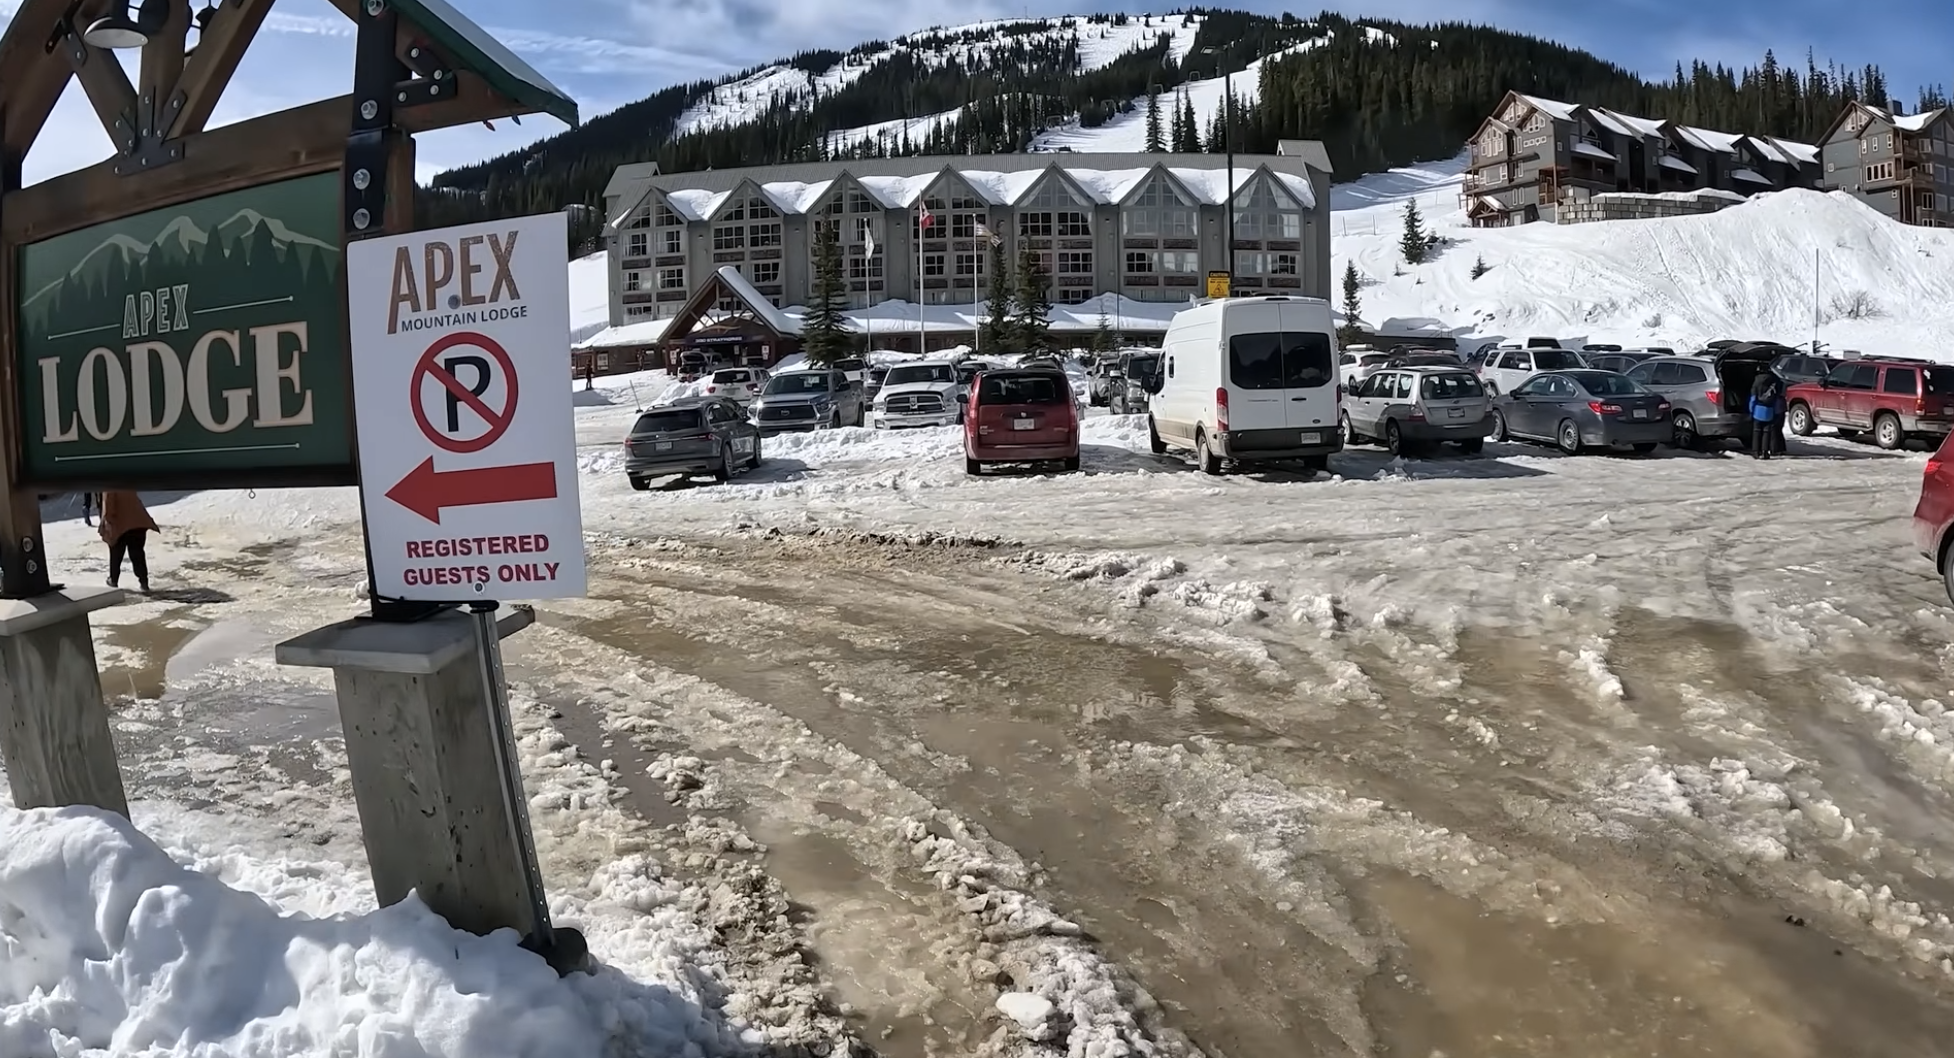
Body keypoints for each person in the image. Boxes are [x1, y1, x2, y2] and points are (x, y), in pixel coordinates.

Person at [99, 490, 157, 593]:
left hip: (121, 523)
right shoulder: (125, 480)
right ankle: (144, 582)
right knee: (137, 553)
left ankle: (113, 580)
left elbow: (109, 509)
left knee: (116, 552)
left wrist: (106, 525)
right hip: (138, 521)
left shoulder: (108, 486)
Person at [1748, 370, 1783, 460]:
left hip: (1758, 410)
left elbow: (1753, 398)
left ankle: (1756, 452)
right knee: (1766, 433)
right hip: (1769, 410)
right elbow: (1776, 398)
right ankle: (1765, 452)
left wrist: (1751, 410)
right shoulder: (1774, 382)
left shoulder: (1757, 382)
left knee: (1756, 432)